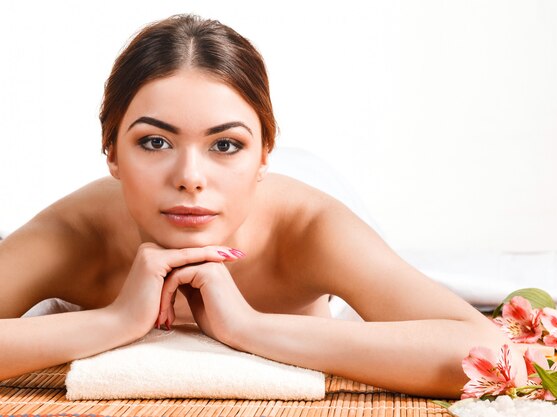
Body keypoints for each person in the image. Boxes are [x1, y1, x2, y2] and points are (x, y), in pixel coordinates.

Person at [0, 14, 521, 398]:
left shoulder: (311, 225)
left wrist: (248, 327)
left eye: (225, 144)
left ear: (264, 154)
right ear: (111, 153)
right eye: (155, 142)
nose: (189, 179)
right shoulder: (73, 231)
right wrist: (113, 321)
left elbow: (496, 355)